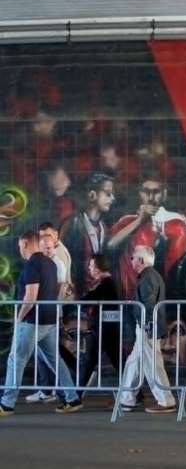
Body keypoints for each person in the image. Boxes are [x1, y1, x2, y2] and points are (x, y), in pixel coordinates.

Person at [0, 231, 82, 415]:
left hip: (32, 321)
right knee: (56, 361)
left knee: (16, 360)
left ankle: (6, 404)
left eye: (20, 246)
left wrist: (19, 317)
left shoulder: (32, 265)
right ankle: (72, 398)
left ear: (27, 244)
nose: (19, 249)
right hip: (50, 319)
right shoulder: (51, 264)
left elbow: (30, 296)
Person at [108, 172, 186, 298]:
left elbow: (176, 265)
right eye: (146, 191)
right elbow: (109, 245)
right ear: (139, 194)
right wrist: (139, 220)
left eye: (156, 192)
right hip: (127, 294)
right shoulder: (128, 220)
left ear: (164, 194)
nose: (150, 197)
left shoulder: (177, 222)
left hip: (158, 293)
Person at [116, 245, 177, 413]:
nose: (131, 260)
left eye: (133, 258)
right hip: (146, 326)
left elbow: (148, 306)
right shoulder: (151, 276)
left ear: (141, 260)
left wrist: (147, 325)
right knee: (134, 362)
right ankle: (126, 398)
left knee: (152, 364)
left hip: (146, 327)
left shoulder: (147, 278)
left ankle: (165, 400)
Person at [61, 172, 115, 296]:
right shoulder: (73, 225)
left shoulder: (103, 228)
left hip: (97, 293)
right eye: (108, 193)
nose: (112, 198)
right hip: (78, 294)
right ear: (92, 195)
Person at [76, 254, 124, 388]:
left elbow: (86, 300)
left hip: (103, 329)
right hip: (107, 328)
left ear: (97, 268)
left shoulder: (105, 284)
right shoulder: (108, 283)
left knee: (89, 361)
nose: (89, 269)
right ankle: (136, 394)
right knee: (118, 361)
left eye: (91, 266)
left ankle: (76, 396)